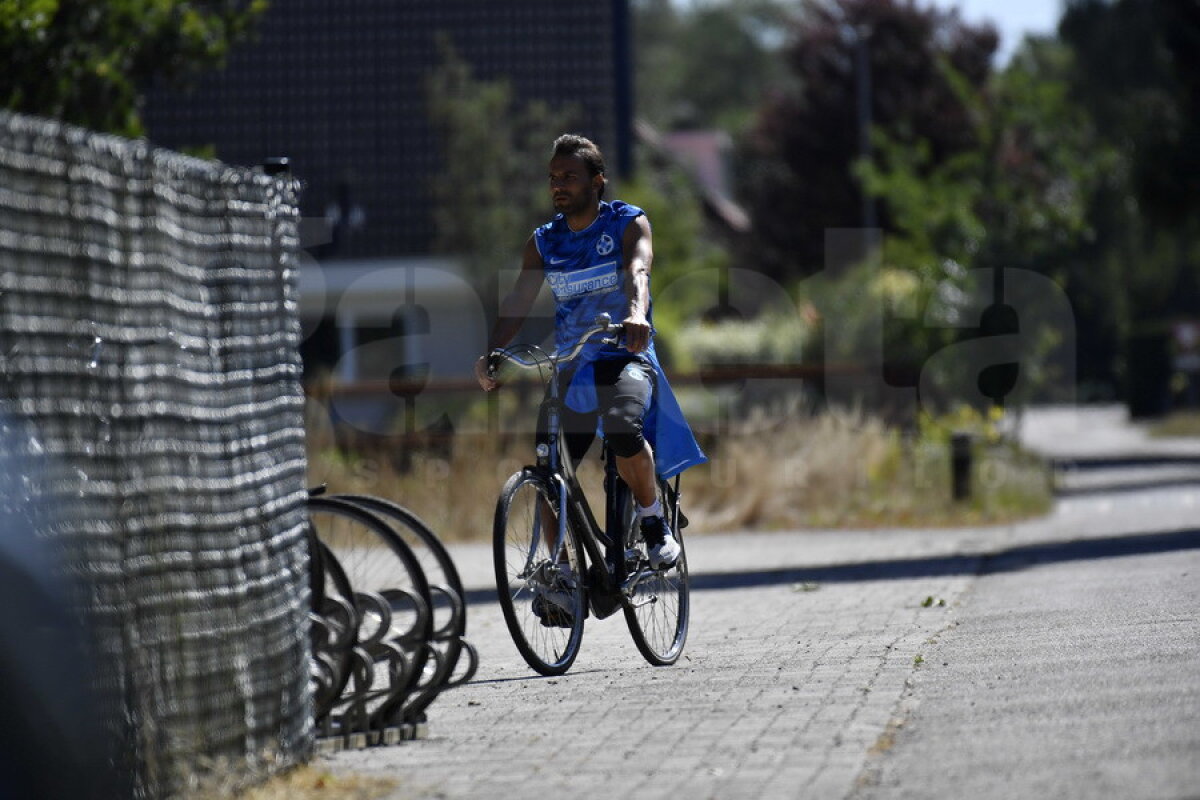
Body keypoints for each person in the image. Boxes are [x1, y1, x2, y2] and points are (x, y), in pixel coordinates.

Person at [474, 134, 706, 624]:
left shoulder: (626, 222)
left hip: (623, 356)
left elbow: (638, 272)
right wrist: (494, 351)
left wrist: (637, 315)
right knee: (547, 466)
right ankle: (559, 573)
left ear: (597, 181)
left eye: (569, 177)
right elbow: (519, 299)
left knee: (624, 429)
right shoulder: (544, 240)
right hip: (572, 367)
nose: (558, 186)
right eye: (553, 178)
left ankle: (652, 522)